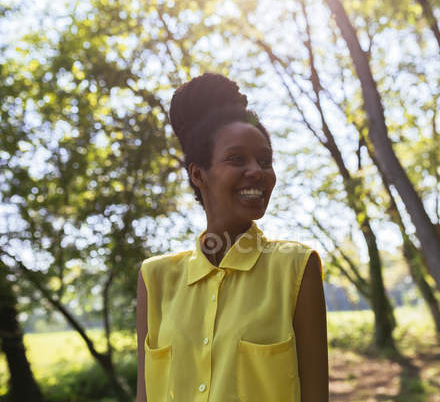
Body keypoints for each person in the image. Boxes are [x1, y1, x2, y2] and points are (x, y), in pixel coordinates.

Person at [136, 73, 328, 402]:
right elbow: (146, 396)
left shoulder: (296, 268)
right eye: (236, 159)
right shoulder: (155, 277)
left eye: (265, 160)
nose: (257, 171)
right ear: (198, 174)